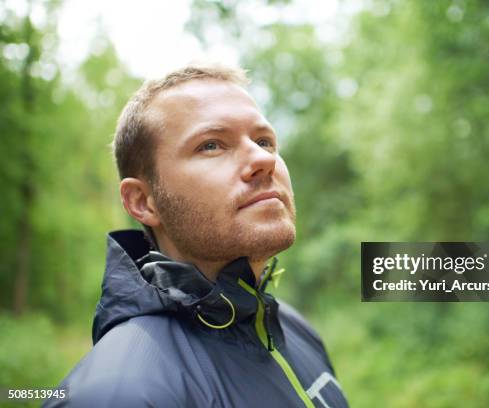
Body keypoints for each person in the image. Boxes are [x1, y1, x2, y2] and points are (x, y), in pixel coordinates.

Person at [43, 63, 348, 408]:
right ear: (143, 202)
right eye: (211, 145)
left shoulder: (294, 329)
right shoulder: (118, 393)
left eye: (264, 141)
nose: (263, 158)